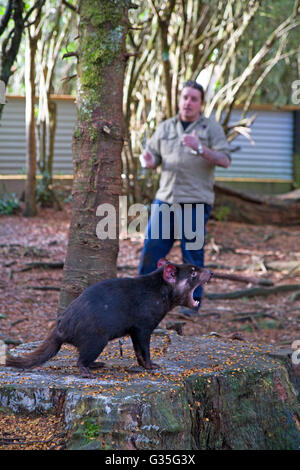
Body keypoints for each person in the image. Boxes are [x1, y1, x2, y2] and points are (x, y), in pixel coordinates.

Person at [139, 80, 231, 316]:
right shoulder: (166, 127)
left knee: (192, 256)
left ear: (201, 103)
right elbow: (153, 157)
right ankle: (143, 301)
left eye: (194, 99)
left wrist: (200, 148)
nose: (188, 103)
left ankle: (192, 304)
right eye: (185, 97)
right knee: (152, 252)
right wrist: (148, 162)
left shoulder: (210, 128)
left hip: (195, 202)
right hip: (165, 200)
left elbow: (225, 160)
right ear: (179, 100)